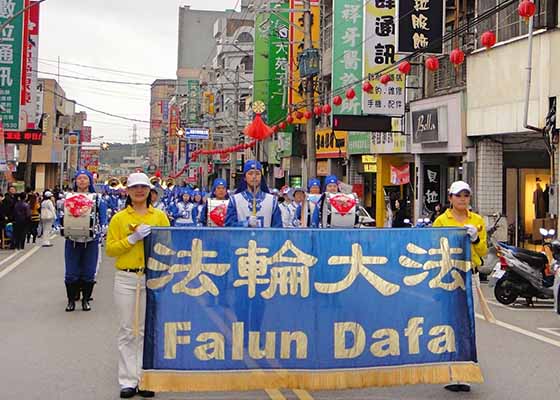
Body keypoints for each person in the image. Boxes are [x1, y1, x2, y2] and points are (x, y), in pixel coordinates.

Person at [106, 172, 169, 399]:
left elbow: (168, 245)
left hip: (151, 277)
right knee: (127, 330)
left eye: (143, 187)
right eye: (135, 188)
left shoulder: (159, 216)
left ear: (150, 191)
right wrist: (131, 240)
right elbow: (110, 249)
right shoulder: (119, 218)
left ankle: (145, 379)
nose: (139, 191)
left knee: (145, 330)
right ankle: (127, 380)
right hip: (126, 277)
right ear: (128, 191)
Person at [433, 180, 487, 393]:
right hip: (448, 276)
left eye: (466, 195)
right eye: (458, 195)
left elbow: (483, 252)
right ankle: (451, 372)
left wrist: (475, 239)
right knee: (450, 323)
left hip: (470, 275)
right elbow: (434, 248)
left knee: (467, 324)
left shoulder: (477, 220)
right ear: (450, 198)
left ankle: (465, 372)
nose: (462, 199)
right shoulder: (441, 221)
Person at [62, 169, 108, 312]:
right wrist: (58, 225)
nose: (82, 181)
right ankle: (71, 301)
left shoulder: (97, 198)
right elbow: (62, 214)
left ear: (90, 181)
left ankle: (86, 300)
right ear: (75, 181)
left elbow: (103, 217)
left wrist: (103, 228)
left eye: (85, 178)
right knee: (71, 270)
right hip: (72, 239)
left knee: (89, 270)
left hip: (91, 240)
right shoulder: (68, 197)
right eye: (79, 178)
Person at [225, 160, 282, 228]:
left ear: (261, 177)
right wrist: (245, 224)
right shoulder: (235, 200)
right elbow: (229, 226)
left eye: (257, 173)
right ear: (244, 177)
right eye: (250, 173)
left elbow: (278, 228)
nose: (254, 176)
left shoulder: (272, 201)